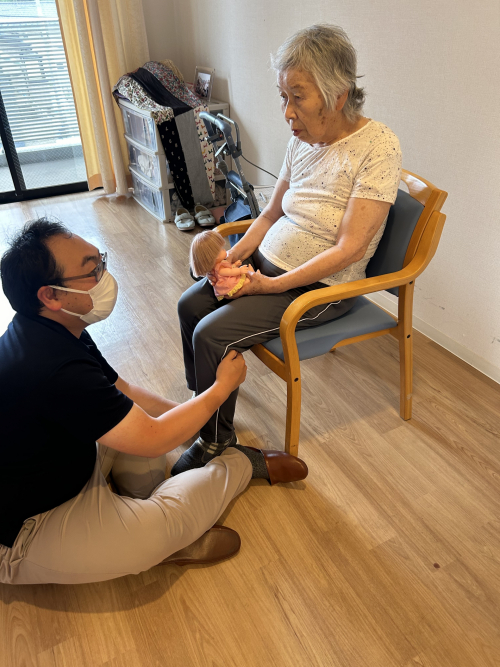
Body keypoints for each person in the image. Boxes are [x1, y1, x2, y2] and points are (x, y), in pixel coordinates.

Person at [0, 219, 307, 585]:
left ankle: (158, 514)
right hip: (26, 526)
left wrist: (196, 420)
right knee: (158, 528)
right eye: (92, 270)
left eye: (101, 260)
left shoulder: (54, 329)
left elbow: (124, 390)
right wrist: (220, 389)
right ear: (50, 295)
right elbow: (155, 438)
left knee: (147, 457)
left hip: (68, 460)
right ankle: (240, 464)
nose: (104, 275)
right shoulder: (52, 366)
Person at [174, 24, 402, 474]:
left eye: (297, 97)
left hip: (318, 288)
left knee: (211, 334)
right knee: (190, 305)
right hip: (267, 267)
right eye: (283, 96)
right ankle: (203, 405)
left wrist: (271, 286)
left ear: (338, 95)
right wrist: (237, 256)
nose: (287, 112)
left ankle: (215, 441)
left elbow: (349, 250)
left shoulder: (378, 147)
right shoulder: (301, 141)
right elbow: (268, 215)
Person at [190, 230, 251, 300]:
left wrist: (234, 265)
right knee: (246, 281)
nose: (224, 250)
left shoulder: (220, 264)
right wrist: (240, 270)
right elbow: (230, 272)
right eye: (221, 249)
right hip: (228, 284)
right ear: (216, 256)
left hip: (227, 278)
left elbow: (229, 268)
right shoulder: (219, 268)